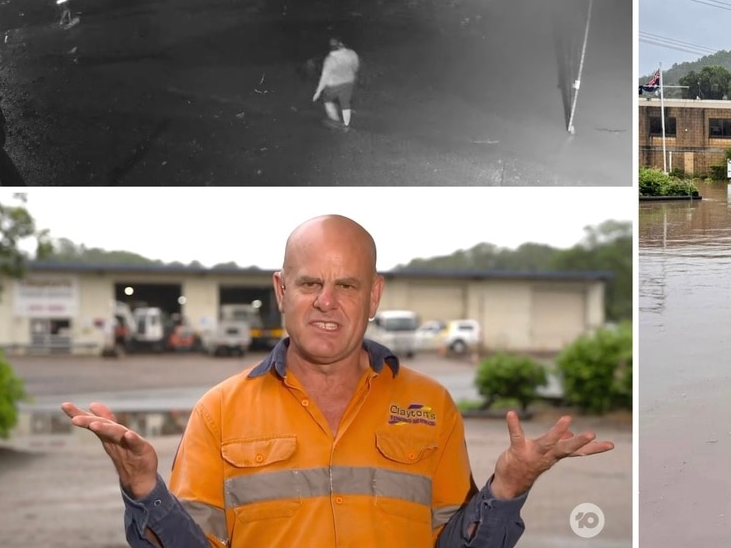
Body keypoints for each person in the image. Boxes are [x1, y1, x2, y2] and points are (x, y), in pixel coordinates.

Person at [63, 215, 613, 548]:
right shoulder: (219, 411)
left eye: (346, 285)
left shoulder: (431, 405)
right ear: (281, 290)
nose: (327, 301)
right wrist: (143, 488)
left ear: (374, 295)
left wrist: (508, 487)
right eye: (310, 283)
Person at [312, 37, 359, 130]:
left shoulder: (329, 59)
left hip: (333, 84)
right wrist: (352, 73)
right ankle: (346, 124)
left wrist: (318, 91)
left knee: (327, 100)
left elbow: (324, 77)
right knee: (345, 103)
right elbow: (355, 65)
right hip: (348, 82)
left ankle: (335, 120)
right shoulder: (351, 53)